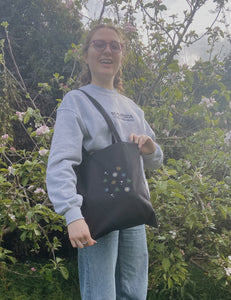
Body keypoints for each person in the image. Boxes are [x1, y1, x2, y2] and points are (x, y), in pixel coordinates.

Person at [46, 23, 163, 300]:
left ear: (122, 55)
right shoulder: (76, 101)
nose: (107, 50)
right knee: (100, 292)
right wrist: (72, 215)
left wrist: (149, 148)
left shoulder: (133, 108)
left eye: (115, 45)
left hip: (133, 211)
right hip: (97, 211)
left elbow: (154, 163)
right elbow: (62, 162)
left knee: (134, 291)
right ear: (86, 54)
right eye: (99, 44)